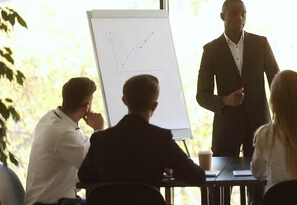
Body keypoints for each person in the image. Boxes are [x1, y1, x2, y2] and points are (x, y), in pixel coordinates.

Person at [196, 0, 279, 205]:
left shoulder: (260, 43)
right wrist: (224, 100)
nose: (240, 18)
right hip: (226, 127)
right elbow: (202, 95)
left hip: (259, 125)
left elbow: (276, 80)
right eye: (234, 13)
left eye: (243, 13)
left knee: (259, 186)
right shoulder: (211, 50)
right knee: (219, 189)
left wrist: (279, 113)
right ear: (222, 16)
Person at [78, 74, 205, 187]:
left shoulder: (101, 139)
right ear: (155, 106)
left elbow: (85, 176)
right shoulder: (160, 139)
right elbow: (196, 176)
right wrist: (170, 169)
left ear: (124, 100)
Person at [25, 77, 104, 205]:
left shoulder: (52, 118)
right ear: (87, 106)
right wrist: (98, 129)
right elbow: (93, 168)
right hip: (51, 203)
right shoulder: (64, 133)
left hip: (47, 199)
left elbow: (84, 148)